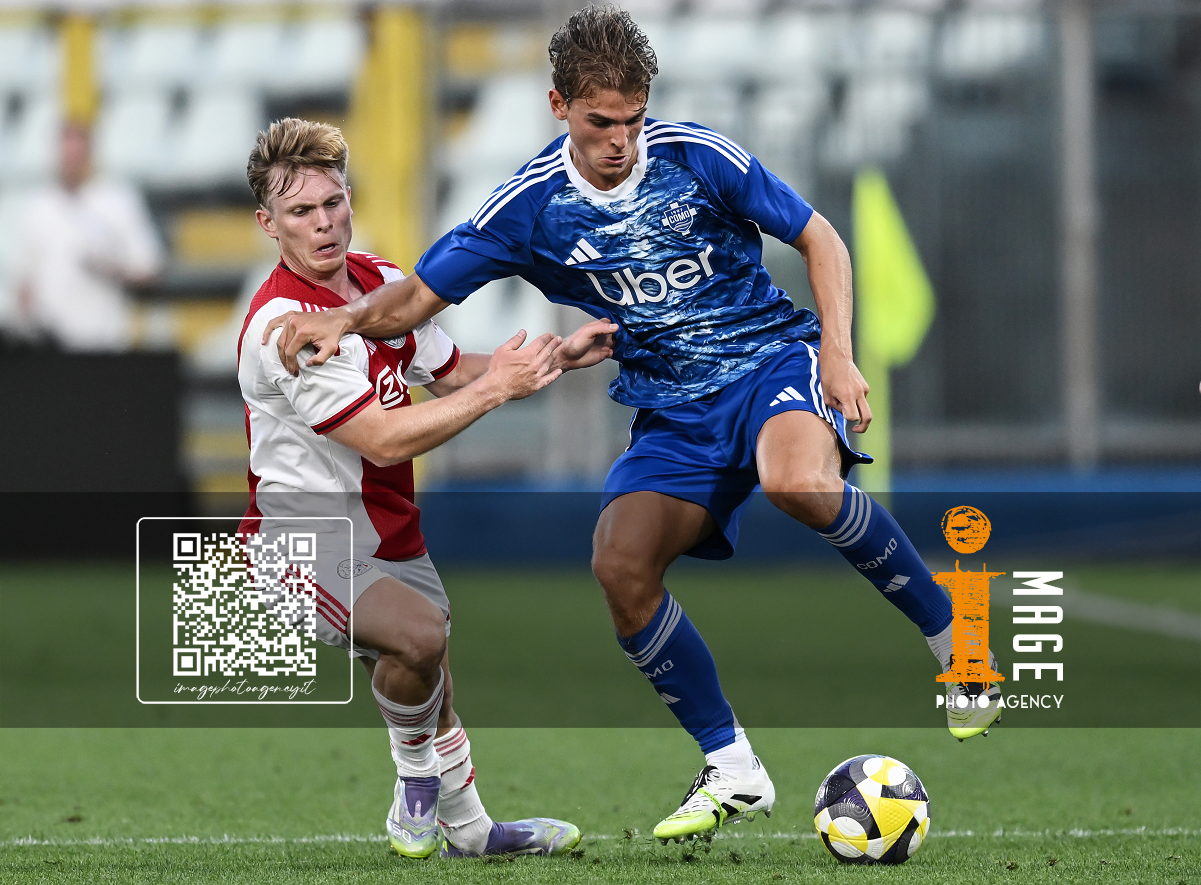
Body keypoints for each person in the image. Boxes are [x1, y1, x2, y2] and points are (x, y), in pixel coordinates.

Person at [262, 8, 1002, 844]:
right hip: (671, 410)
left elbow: (819, 237)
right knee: (618, 563)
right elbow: (415, 299)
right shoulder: (529, 206)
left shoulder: (696, 156)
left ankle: (959, 645)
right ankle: (731, 765)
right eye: (599, 122)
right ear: (558, 107)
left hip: (768, 363)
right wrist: (345, 318)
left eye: (632, 119)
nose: (620, 140)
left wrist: (837, 352)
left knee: (798, 482)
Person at [239, 118, 610, 858]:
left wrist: (555, 358)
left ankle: (470, 830)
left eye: (333, 202)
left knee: (425, 663)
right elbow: (381, 437)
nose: (324, 222)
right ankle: (413, 788)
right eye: (301, 211)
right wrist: (498, 392)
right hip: (300, 541)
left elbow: (450, 372)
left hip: (387, 525)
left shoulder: (378, 282)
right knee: (418, 636)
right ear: (268, 224)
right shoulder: (284, 327)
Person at [9, 122, 163, 351]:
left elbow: (149, 267)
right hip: (51, 344)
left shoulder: (117, 201)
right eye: (66, 154)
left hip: (104, 340)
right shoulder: (38, 207)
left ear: (90, 155)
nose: (71, 161)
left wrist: (109, 269)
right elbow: (24, 279)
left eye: (77, 154)